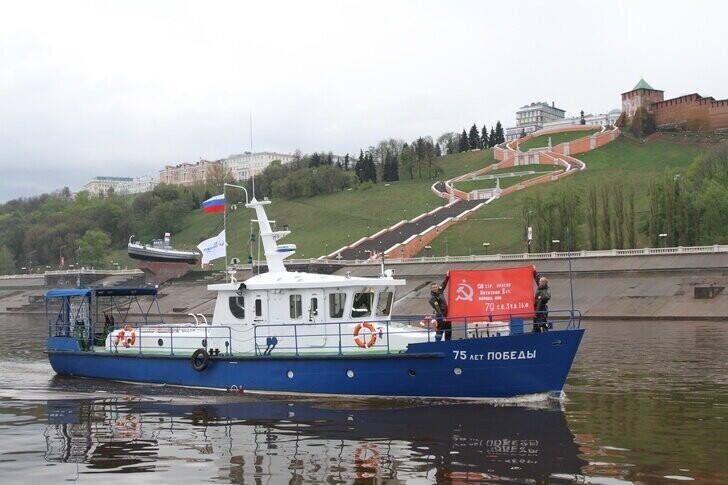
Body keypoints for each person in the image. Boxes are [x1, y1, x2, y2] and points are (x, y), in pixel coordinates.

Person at [429, 275, 452, 341]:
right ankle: (438, 344)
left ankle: (448, 343)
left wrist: (447, 277)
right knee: (440, 331)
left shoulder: (440, 291)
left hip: (447, 315)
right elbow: (437, 308)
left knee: (448, 331)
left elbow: (443, 284)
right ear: (431, 289)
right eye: (433, 287)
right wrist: (442, 317)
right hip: (440, 317)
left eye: (436, 287)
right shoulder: (432, 298)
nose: (435, 288)